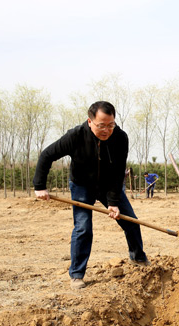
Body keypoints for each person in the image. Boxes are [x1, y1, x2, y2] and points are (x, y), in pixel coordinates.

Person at [33, 101, 150, 290]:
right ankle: (77, 274)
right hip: (82, 185)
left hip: (109, 184)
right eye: (101, 125)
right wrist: (40, 186)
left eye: (110, 125)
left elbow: (119, 171)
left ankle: (138, 258)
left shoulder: (120, 137)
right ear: (90, 121)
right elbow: (47, 155)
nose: (106, 130)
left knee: (131, 221)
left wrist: (113, 202)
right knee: (83, 228)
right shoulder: (75, 136)